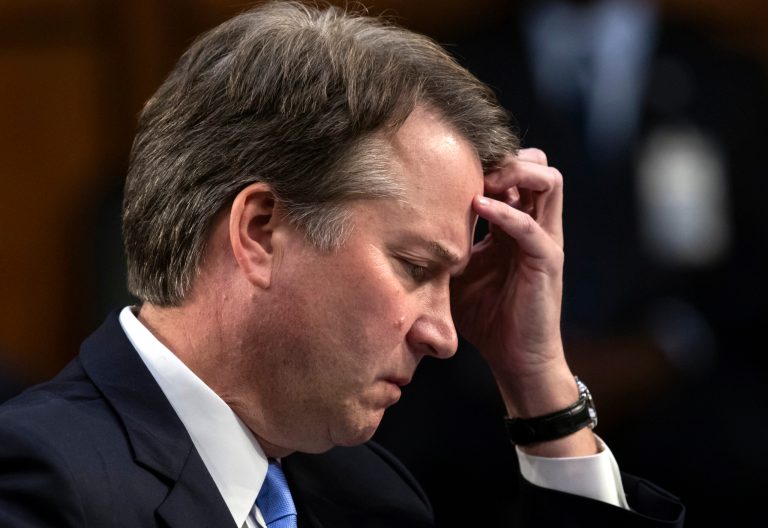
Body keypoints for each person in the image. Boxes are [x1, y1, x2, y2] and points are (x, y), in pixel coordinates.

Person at [0, 2, 684, 527]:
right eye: (415, 265)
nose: (445, 335)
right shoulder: (44, 481)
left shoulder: (370, 495)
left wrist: (539, 386)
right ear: (261, 232)